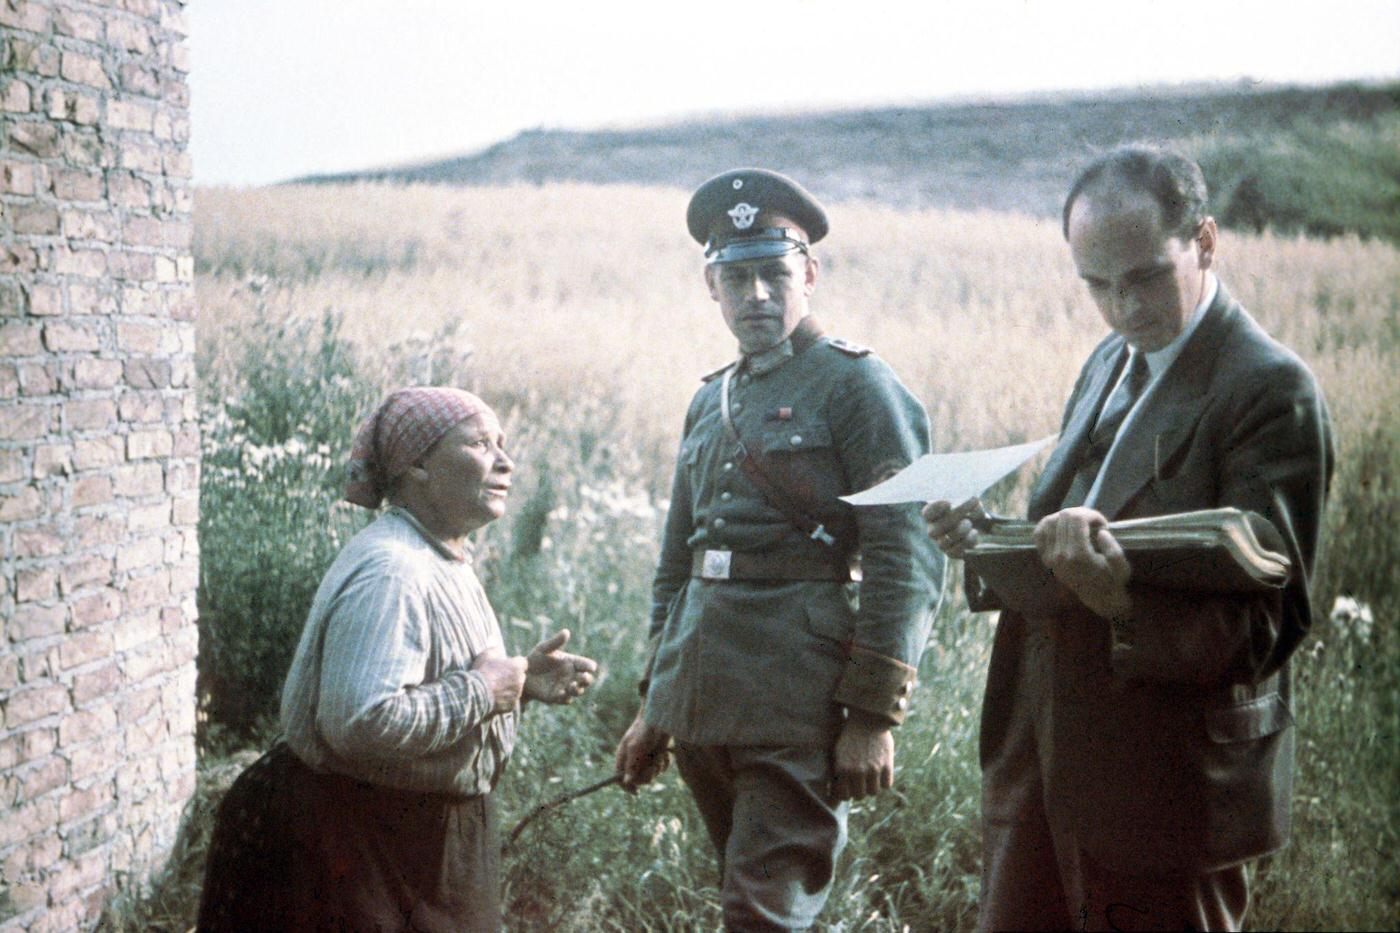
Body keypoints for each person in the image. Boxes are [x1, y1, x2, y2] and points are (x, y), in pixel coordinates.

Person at [924, 146, 1333, 932]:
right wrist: (979, 541)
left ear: (1205, 242)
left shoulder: (1270, 389)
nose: (1122, 307)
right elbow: (1071, 540)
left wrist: (1123, 605)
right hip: (1039, 763)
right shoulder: (1109, 358)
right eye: (1097, 284)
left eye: (1144, 277)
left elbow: (1272, 625)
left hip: (1166, 793)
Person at [613, 168, 944, 931]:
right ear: (712, 287)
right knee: (752, 904)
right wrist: (656, 706)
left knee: (762, 915)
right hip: (703, 695)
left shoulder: (860, 388)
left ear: (811, 275)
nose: (756, 295)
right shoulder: (711, 398)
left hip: (798, 701)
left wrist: (873, 712)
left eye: (774, 274)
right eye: (736, 277)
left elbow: (905, 552)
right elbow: (680, 564)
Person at [197, 387, 598, 933]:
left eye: (502, 444)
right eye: (480, 444)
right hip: (365, 848)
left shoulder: (439, 554)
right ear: (417, 466)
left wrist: (519, 682)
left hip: (411, 843)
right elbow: (360, 721)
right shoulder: (393, 571)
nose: (506, 462)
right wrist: (481, 692)